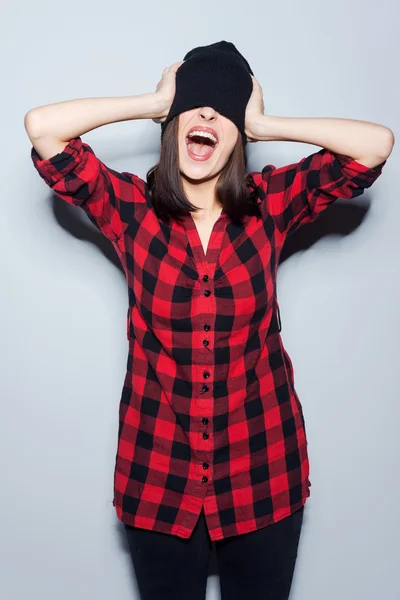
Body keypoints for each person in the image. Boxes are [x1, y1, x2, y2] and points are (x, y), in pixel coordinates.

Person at [25, 41, 393, 600]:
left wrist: (265, 123)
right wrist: (151, 103)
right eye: (193, 106)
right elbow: (43, 130)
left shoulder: (271, 203)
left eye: (223, 110)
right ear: (172, 126)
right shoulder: (130, 209)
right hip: (158, 472)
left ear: (237, 135)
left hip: (263, 468)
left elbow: (375, 146)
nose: (205, 116)